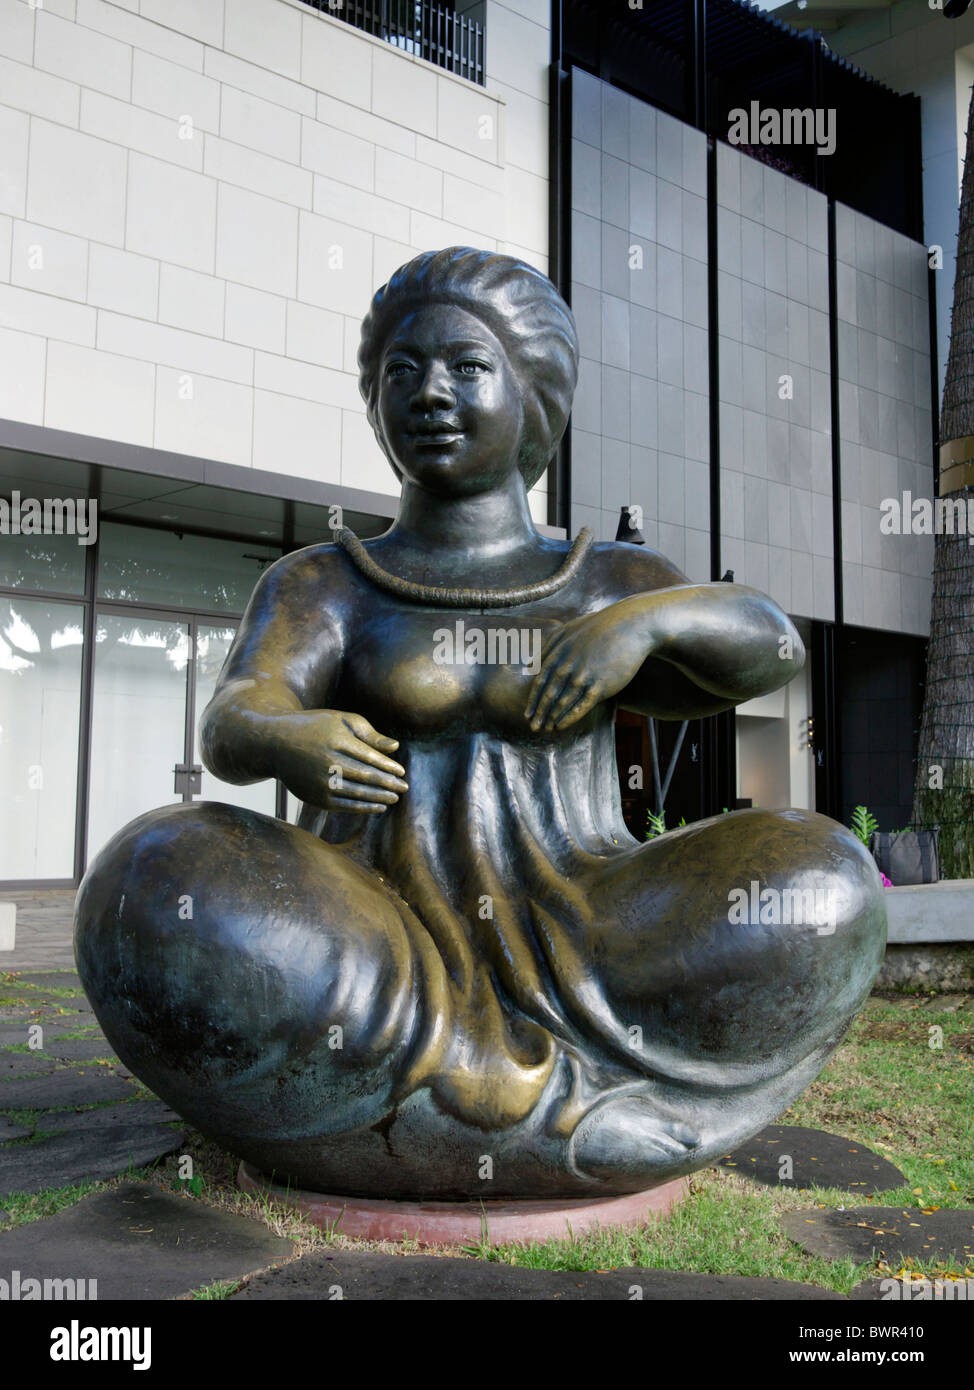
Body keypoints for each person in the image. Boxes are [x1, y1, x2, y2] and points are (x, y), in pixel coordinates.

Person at [75, 248, 886, 1199]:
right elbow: (233, 715)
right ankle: (569, 1112)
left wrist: (644, 623)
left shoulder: (605, 579)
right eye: (402, 372)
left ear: (533, 391)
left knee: (826, 878)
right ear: (374, 402)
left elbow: (773, 650)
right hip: (371, 938)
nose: (430, 393)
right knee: (151, 874)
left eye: (467, 367)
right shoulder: (324, 583)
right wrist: (286, 736)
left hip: (592, 930)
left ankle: (425, 1110)